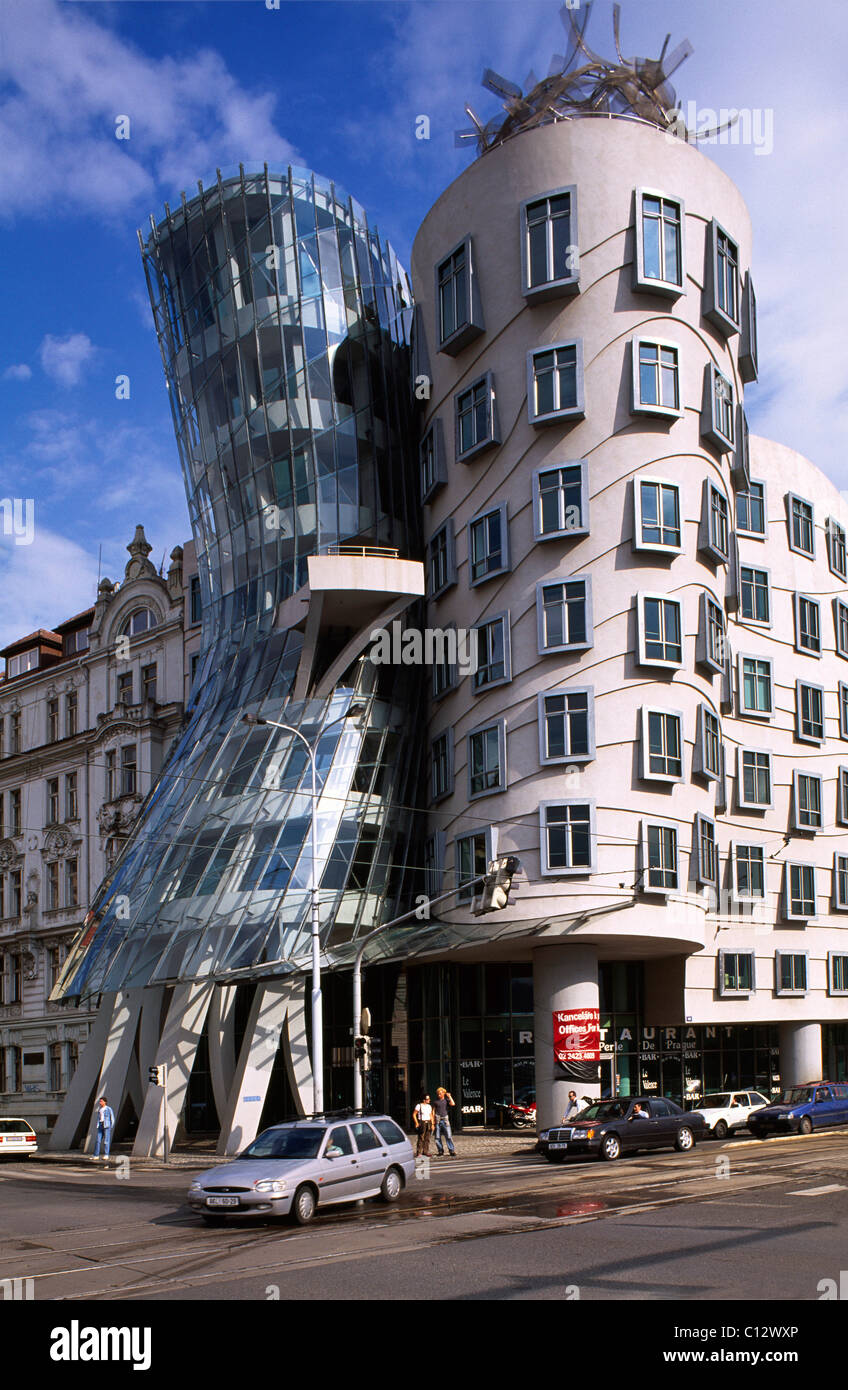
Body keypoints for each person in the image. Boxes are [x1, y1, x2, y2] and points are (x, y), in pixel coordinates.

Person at [432, 1086, 457, 1156]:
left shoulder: (446, 1100)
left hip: (445, 1120)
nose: (439, 1095)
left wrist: (449, 1097)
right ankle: (440, 1150)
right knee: (437, 1137)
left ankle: (451, 1150)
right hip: (438, 1120)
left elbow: (453, 1104)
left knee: (448, 1136)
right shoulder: (435, 1101)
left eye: (440, 1093)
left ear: (443, 1093)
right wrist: (433, 1121)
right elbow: (433, 1111)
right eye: (438, 1094)